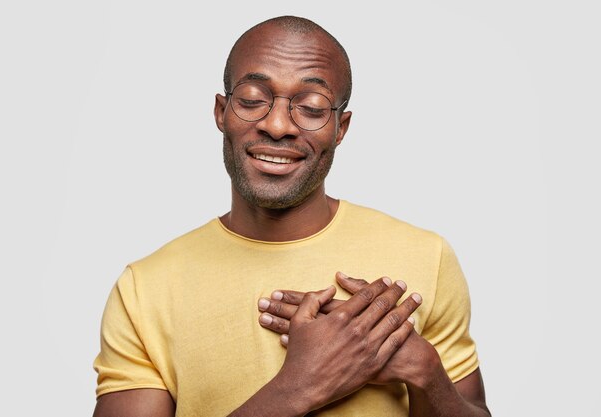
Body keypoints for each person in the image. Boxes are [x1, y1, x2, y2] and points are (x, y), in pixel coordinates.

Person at [92, 15, 490, 417]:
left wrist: (426, 373)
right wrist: (300, 386)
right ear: (221, 111)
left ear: (340, 127)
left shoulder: (427, 256)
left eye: (312, 107)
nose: (278, 125)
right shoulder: (145, 289)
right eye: (252, 99)